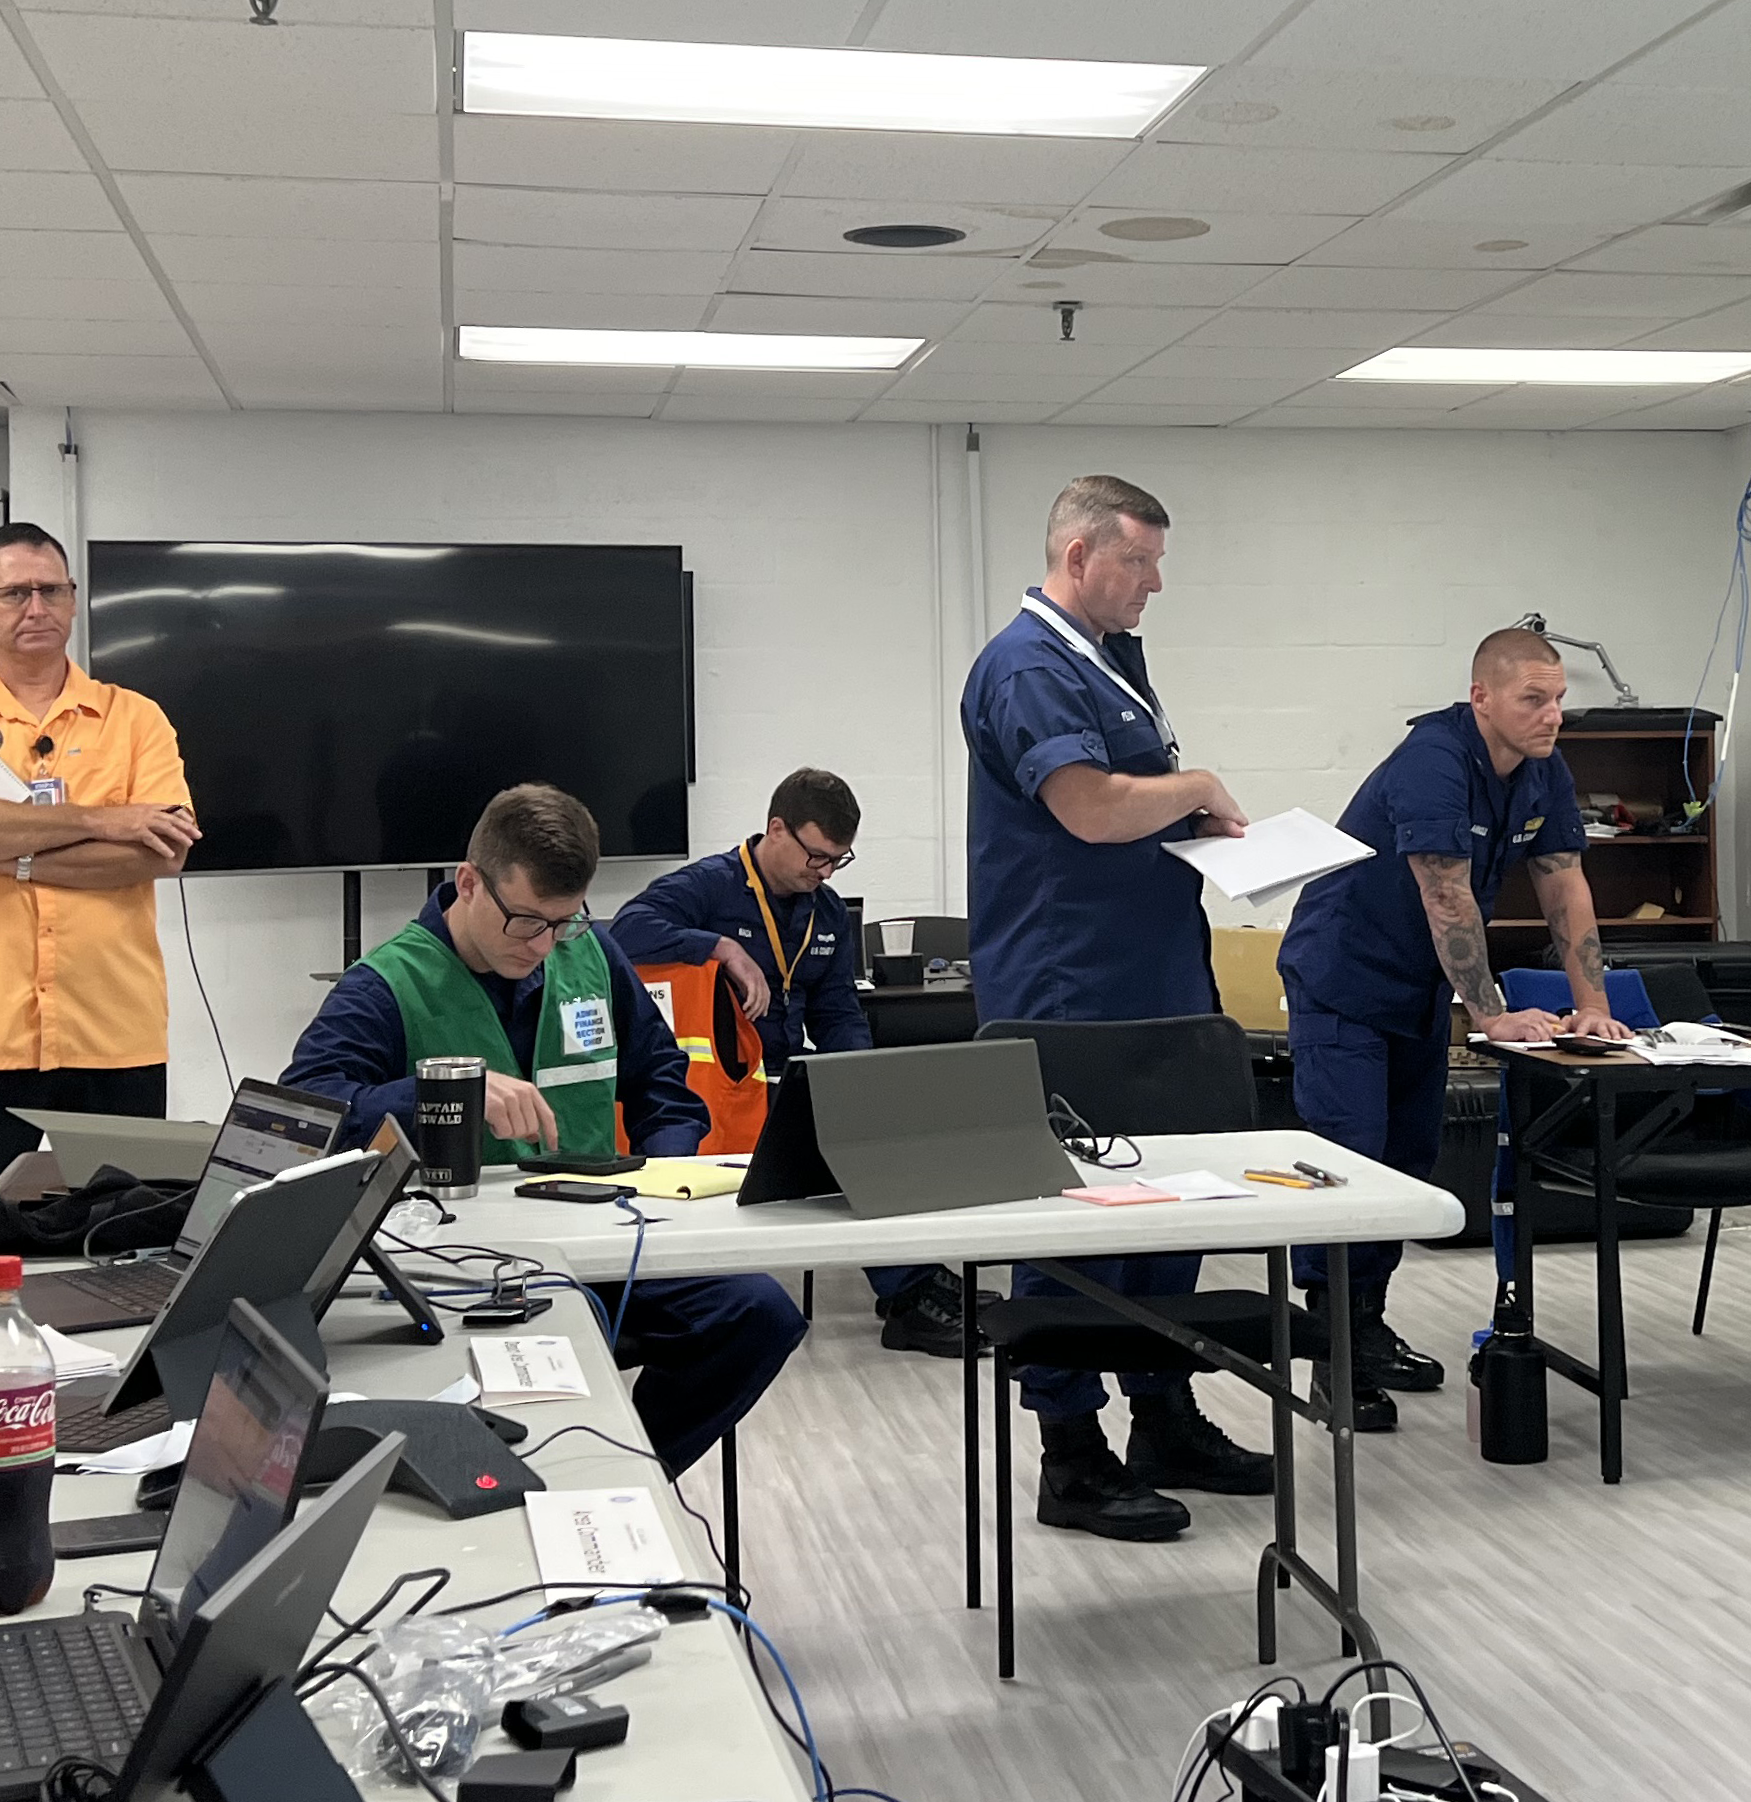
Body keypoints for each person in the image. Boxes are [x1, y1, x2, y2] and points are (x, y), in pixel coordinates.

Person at [285, 784, 805, 1477]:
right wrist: (440, 1093)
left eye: (564, 922)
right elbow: (304, 1110)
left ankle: (627, 1475)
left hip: (600, 1244)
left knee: (758, 1313)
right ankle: (558, 1483)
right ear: (468, 884)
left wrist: (662, 1185)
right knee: (558, 1332)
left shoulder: (589, 954)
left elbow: (663, 1087)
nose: (544, 945)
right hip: (462, 1261)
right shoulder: (385, 983)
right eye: (526, 922)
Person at [961, 472, 1271, 1543]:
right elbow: (1088, 807)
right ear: (1078, 556)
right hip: (1067, 986)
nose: (1151, 584)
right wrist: (1194, 789)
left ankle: (1162, 1407)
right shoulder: (1025, 663)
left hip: (1148, 978)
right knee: (1072, 1217)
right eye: (1135, 561)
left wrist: (1199, 828)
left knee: (1170, 1202)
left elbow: (1122, 802)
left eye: (1157, 563)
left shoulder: (1106, 655)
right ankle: (1069, 1451)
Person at [1277, 626, 1631, 1428]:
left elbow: (1564, 885)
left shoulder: (1540, 765)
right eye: (1532, 700)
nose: (1551, 717)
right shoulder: (1433, 760)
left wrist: (1595, 1006)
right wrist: (1493, 1015)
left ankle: (1364, 1328)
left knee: (1406, 1159)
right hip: (1342, 976)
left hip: (1416, 985)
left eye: (1558, 701)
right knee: (1350, 1157)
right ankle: (1330, 1356)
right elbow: (1447, 895)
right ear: (1482, 698)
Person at [0, 522, 202, 1203]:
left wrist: (6, 854)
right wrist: (98, 819)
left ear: (74, 600)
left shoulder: (134, 719)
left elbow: (160, 854)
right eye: (14, 592)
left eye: (50, 590)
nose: (35, 608)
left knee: (127, 1242)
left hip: (111, 1031)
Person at [612, 767, 968, 1358]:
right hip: (719, 1087)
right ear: (776, 829)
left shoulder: (825, 912)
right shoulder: (709, 886)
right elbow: (624, 930)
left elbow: (837, 1013)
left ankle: (913, 1291)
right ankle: (912, 1290)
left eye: (837, 861)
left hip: (787, 1076)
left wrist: (863, 1078)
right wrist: (718, 947)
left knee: (861, 1124)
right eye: (816, 857)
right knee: (830, 1141)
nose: (824, 872)